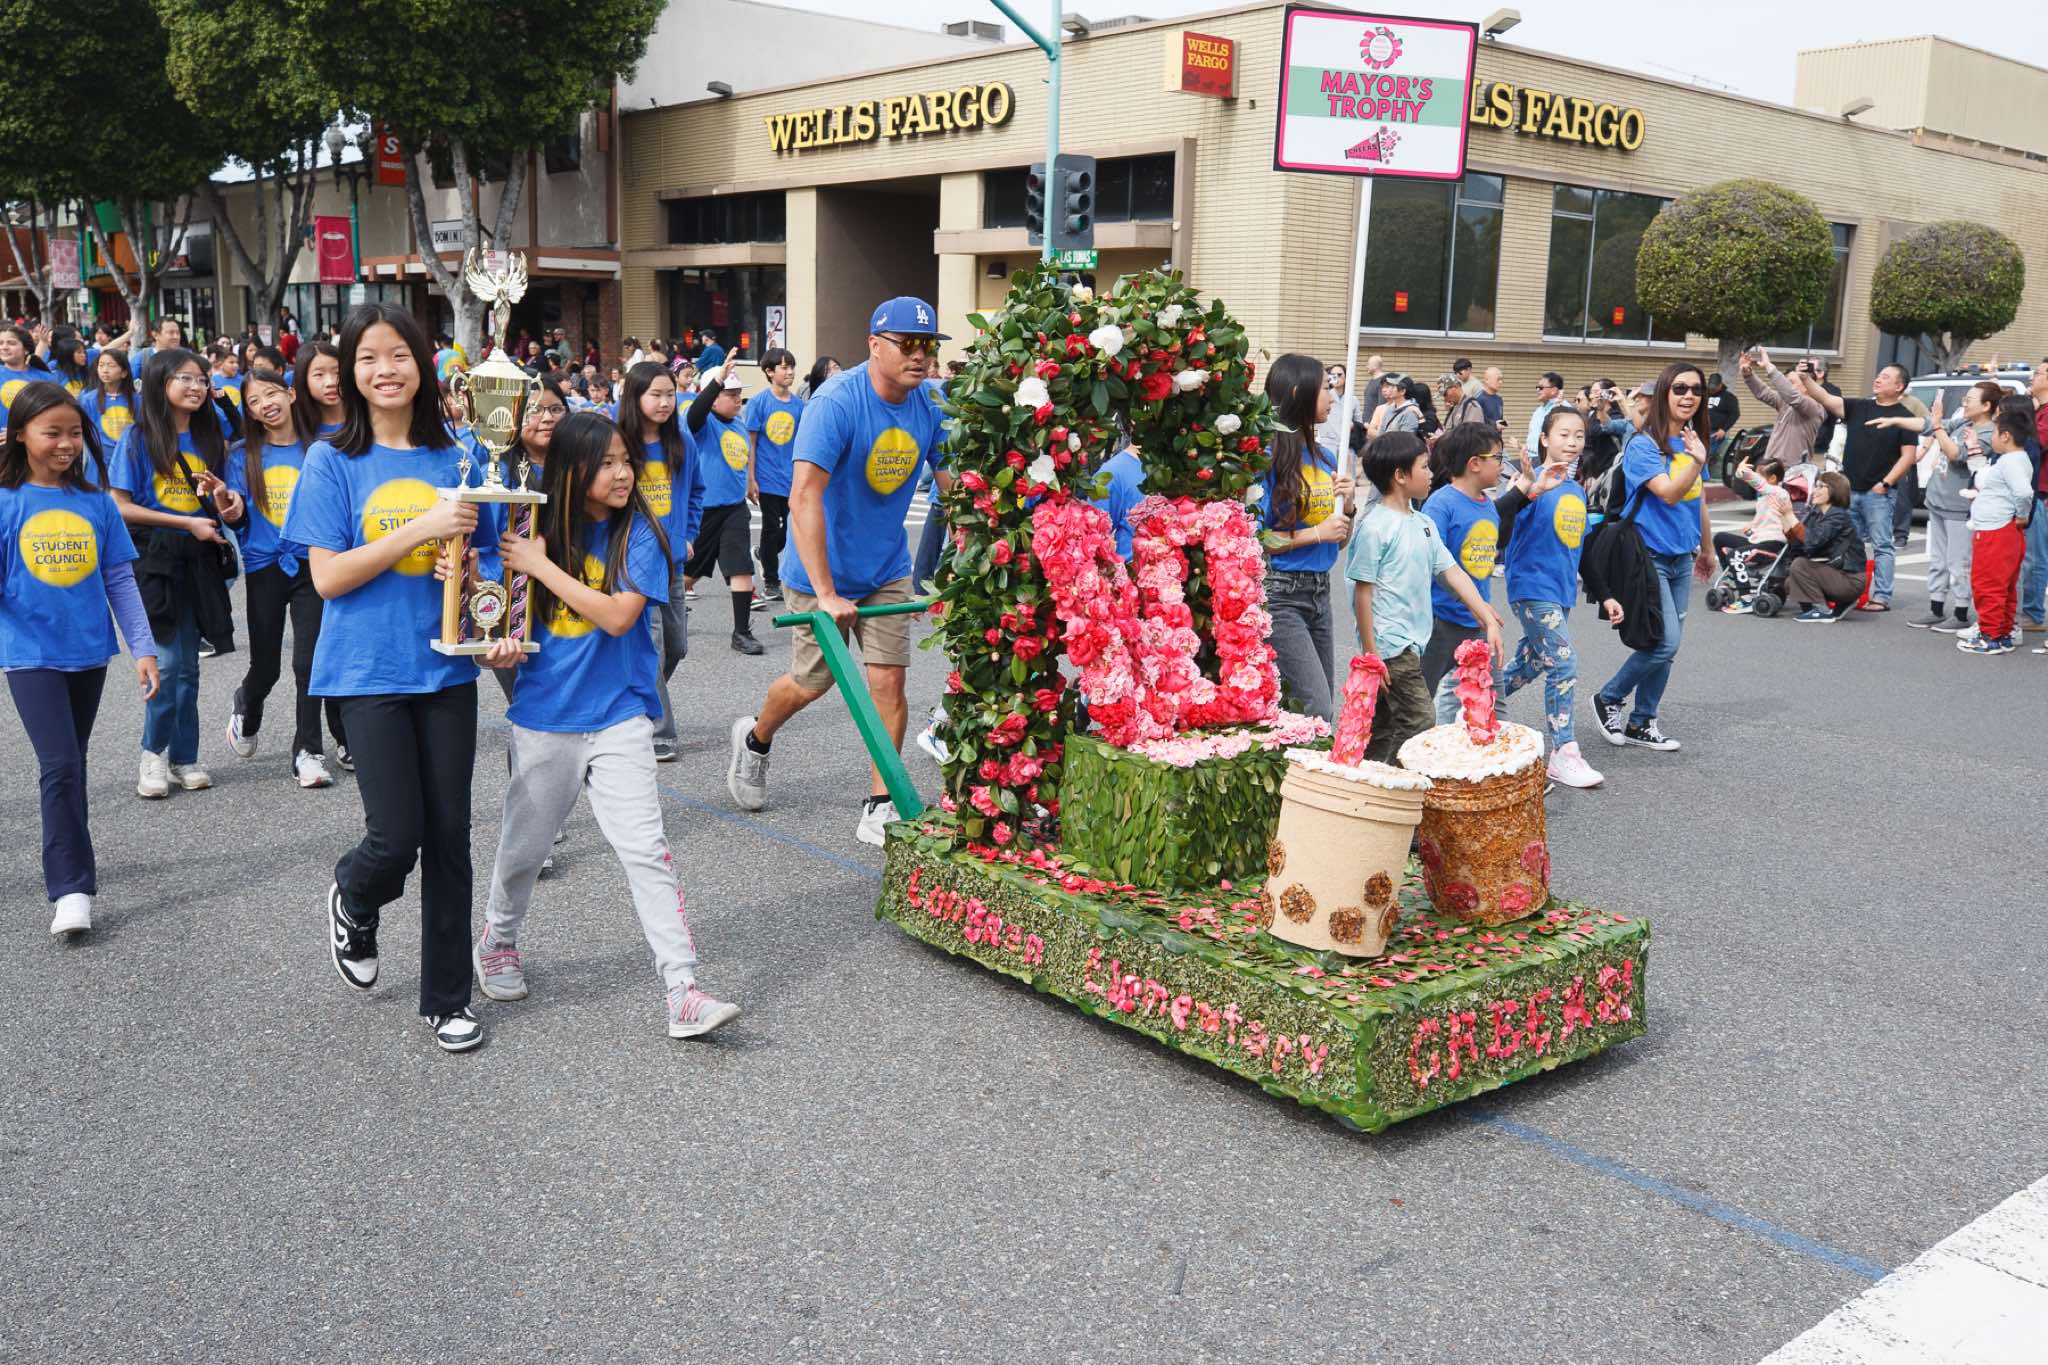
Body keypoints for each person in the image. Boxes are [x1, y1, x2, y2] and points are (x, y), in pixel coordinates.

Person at [473, 412, 739, 1038]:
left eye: (626, 461)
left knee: (646, 850)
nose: (623, 474)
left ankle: (682, 989)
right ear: (572, 471)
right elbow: (497, 627)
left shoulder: (639, 530)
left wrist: (542, 568)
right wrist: (491, 645)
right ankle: (499, 939)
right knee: (525, 848)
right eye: (607, 464)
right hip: (546, 716)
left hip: (620, 714)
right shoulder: (528, 530)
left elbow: (619, 617)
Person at [281, 302, 493, 1054]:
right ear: (349, 371)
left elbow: (483, 567)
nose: (386, 370)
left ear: (424, 364)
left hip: (446, 669)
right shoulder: (330, 461)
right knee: (396, 834)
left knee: (449, 837)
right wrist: (420, 530)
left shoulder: (461, 455)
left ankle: (448, 998)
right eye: (369, 357)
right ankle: (355, 891)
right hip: (366, 670)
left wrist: (466, 574)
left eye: (399, 354)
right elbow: (329, 577)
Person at [725, 296, 952, 846]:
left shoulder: (930, 405)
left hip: (885, 567)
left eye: (928, 345)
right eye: (908, 344)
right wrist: (826, 592)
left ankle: (880, 803)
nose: (920, 356)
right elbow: (804, 496)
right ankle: (755, 738)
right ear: (874, 344)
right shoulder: (836, 402)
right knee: (813, 683)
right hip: (818, 569)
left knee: (888, 680)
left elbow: (954, 491)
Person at [1, 383, 160, 937]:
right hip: (30, 656)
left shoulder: (97, 503)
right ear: (21, 435)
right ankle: (71, 887)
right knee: (61, 765)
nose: (66, 444)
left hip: (89, 653)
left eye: (74, 433)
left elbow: (120, 580)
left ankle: (69, 860)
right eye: (52, 433)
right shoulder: (6, 502)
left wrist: (143, 648)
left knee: (72, 763)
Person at [107, 348, 249, 798]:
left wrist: (224, 500)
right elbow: (120, 505)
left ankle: (184, 757)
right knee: (167, 664)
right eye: (185, 378)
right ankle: (153, 754)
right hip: (154, 559)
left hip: (199, 558)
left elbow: (223, 503)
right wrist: (184, 523)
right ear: (159, 382)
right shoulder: (138, 438)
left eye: (202, 379)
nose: (196, 387)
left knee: (188, 668)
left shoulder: (210, 438)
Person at [1345, 429, 1502, 766]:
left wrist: (1486, 616)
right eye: (1424, 467)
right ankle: (1398, 783)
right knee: (1419, 719)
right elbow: (1362, 593)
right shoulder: (1375, 527)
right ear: (1400, 476)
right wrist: (1372, 654)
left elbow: (1452, 572)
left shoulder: (1423, 523)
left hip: (1414, 642)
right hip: (1390, 645)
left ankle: (1367, 780)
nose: (1432, 474)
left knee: (1384, 725)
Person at [225, 366, 347, 787]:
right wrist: (231, 510)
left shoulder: (320, 449)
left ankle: (307, 751)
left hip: (313, 565)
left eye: (271, 394)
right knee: (266, 667)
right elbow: (237, 512)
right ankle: (247, 702)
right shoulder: (242, 455)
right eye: (254, 401)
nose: (265, 405)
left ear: (291, 394)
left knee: (308, 662)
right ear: (250, 412)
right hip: (265, 566)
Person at [1590, 361, 1715, 753]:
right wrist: (1697, 461)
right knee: (1664, 644)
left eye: (1696, 390)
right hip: (1648, 557)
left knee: (1668, 649)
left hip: (1682, 558)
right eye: (1680, 388)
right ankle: (1609, 697)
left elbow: (1698, 500)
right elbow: (1670, 493)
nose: (1689, 396)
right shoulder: (1643, 445)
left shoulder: (1692, 442)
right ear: (1664, 393)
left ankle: (1642, 721)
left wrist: (1707, 548)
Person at [1501, 405, 1619, 789]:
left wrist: (1605, 594)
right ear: (1544, 439)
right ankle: (1563, 752)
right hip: (1531, 588)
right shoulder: (1528, 481)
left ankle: (1473, 705)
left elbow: (1581, 550)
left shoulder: (1575, 489)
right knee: (1563, 662)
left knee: (1531, 662)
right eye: (1564, 434)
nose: (1572, 442)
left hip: (1561, 592)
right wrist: (1527, 489)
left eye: (1579, 435)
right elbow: (1499, 526)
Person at [1258, 354, 1353, 722]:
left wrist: (1349, 508)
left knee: (1317, 709)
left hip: (1320, 592)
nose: (1332, 397)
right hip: (1281, 593)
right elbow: (1258, 539)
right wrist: (1315, 533)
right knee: (1316, 708)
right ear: (1299, 393)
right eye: (1326, 388)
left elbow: (1338, 541)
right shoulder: (1265, 458)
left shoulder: (1325, 458)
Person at [616, 360, 702, 762]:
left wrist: (689, 534)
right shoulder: (617, 442)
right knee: (652, 645)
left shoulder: (681, 441)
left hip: (672, 561)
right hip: (633, 563)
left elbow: (696, 491)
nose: (666, 402)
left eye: (671, 394)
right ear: (635, 397)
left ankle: (637, 696)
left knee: (676, 646)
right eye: (656, 395)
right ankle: (658, 730)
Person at [1794, 362, 1926, 613]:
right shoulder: (1859, 406)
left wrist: (1885, 483)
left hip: (1879, 494)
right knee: (1846, 543)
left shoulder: (1905, 418)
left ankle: (1881, 597)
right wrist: (1805, 378)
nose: (1878, 379)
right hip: (1848, 491)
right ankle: (1847, 592)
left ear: (1899, 386)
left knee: (1882, 545)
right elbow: (1825, 398)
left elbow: (1908, 456)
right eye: (1878, 375)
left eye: (1885, 377)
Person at [1420, 423, 1507, 721]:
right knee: (1419, 699)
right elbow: (1433, 564)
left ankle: (1492, 747)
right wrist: (1473, 603)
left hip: (1479, 623)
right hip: (1440, 622)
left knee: (1492, 700)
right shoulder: (1440, 505)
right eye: (1497, 457)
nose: (1502, 464)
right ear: (1474, 463)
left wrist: (1482, 607)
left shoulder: (1488, 506)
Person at [678, 359, 764, 655]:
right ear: (714, 397)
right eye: (731, 394)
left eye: (739, 393)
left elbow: (745, 456)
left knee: (741, 566)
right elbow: (694, 415)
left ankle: (741, 632)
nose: (738, 399)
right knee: (688, 574)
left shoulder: (738, 423)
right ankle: (662, 612)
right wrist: (716, 382)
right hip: (704, 511)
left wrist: (750, 480)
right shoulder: (702, 423)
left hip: (734, 508)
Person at [1911, 382, 2001, 633]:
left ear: (1986, 405)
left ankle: (1961, 612)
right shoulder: (1964, 423)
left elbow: (1955, 454)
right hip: (1938, 500)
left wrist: (1938, 426)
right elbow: (1929, 425)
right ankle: (1936, 608)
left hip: (1959, 506)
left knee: (1959, 562)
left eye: (1970, 399)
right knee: (1938, 560)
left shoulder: (1988, 432)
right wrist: (1894, 419)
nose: (1964, 402)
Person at [1955, 407, 2037, 655]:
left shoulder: (2010, 461)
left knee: (1987, 585)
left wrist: (2022, 514)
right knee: (2005, 586)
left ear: (2006, 436)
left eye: (1994, 433)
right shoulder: (2015, 459)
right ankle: (2002, 634)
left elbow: (2024, 492)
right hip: (2003, 530)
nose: (1990, 437)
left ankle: (1989, 637)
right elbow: (1984, 474)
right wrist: (1972, 445)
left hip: (1996, 531)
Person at [744, 347, 803, 606]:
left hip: (792, 479)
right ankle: (771, 581)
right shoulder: (758, 403)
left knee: (791, 530)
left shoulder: (800, 406)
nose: (790, 372)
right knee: (771, 528)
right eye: (784, 367)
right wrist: (750, 478)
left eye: (791, 367)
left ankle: (762, 554)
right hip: (767, 478)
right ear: (769, 372)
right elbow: (751, 443)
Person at [1713, 458, 1798, 611]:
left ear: (1773, 478)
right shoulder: (1763, 498)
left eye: (1759, 475)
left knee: (1735, 555)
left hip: (1772, 544)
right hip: (1758, 541)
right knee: (1720, 538)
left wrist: (1743, 472)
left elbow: (1760, 485)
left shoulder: (1780, 493)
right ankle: (1732, 575)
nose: (1755, 479)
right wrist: (1752, 527)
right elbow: (1765, 521)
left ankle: (1746, 598)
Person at [1786, 472, 1868, 623]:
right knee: (1790, 580)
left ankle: (1821, 610)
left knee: (1799, 565)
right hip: (1836, 575)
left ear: (1834, 490)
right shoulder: (1816, 515)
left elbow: (1812, 540)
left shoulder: (1838, 516)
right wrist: (1785, 518)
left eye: (1820, 487)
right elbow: (1798, 545)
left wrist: (1790, 515)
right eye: (1815, 486)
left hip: (1850, 580)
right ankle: (1826, 607)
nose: (1814, 491)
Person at [1738, 348, 1823, 474]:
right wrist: (1748, 374)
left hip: (1793, 472)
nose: (1787, 386)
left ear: (1807, 385)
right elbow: (1763, 392)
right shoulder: (1785, 402)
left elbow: (1792, 396)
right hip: (1771, 468)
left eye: (1791, 382)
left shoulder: (1814, 407)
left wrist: (1769, 367)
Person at [2015, 368, 2048, 633]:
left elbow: (2036, 443)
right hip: (2032, 490)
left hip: (2041, 493)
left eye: (2038, 373)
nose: (2032, 377)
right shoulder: (2038, 411)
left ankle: (2033, 613)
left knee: (2035, 557)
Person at [80, 348, 136, 448]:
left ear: (124, 372)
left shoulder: (137, 400)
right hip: (99, 456)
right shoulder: (88, 400)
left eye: (111, 366)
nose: (105, 370)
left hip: (128, 454)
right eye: (101, 365)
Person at [292, 340, 345, 438]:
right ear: (303, 379)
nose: (331, 382)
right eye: (319, 374)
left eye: (337, 372)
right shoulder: (294, 430)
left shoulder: (364, 420)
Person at [1526, 371, 1563, 453]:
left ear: (1554, 390)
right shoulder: (1538, 410)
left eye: (1541, 387)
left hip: (1548, 457)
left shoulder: (1563, 409)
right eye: (1537, 387)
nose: (1537, 390)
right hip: (1531, 456)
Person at [1705, 373, 1740, 449]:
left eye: (1714, 388)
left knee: (1709, 454)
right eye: (1711, 387)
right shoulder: (1704, 394)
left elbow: (1735, 414)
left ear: (1720, 384)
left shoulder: (1729, 397)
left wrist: (1724, 429)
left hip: (1715, 433)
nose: (1712, 390)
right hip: (1701, 430)